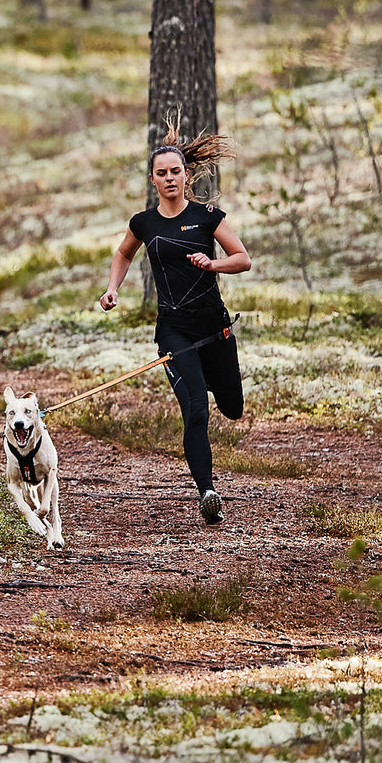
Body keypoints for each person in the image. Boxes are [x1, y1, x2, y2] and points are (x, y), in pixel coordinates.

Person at [99, 132, 251, 525]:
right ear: (152, 180)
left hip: (214, 327)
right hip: (174, 331)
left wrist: (212, 264)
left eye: (175, 172)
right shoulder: (144, 223)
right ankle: (207, 492)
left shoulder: (207, 217)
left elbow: (242, 259)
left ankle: (208, 376)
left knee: (232, 408)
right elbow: (122, 253)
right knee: (196, 409)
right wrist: (112, 288)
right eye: (161, 173)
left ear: (187, 175)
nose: (169, 178)